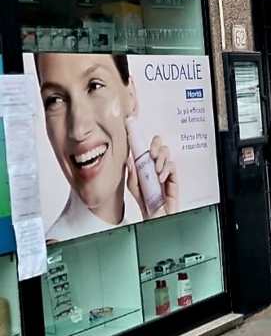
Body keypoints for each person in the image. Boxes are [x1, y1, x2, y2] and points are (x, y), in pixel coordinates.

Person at [35, 53, 178, 242]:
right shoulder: (60, 254)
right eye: (55, 100)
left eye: (94, 86)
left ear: (131, 97)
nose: (78, 130)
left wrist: (159, 222)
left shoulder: (129, 232)